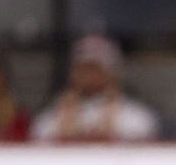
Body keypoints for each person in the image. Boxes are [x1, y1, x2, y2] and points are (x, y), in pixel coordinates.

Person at [32, 34, 160, 143]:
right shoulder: (49, 120)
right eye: (81, 69)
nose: (87, 76)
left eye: (94, 68)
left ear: (112, 74)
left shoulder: (136, 117)